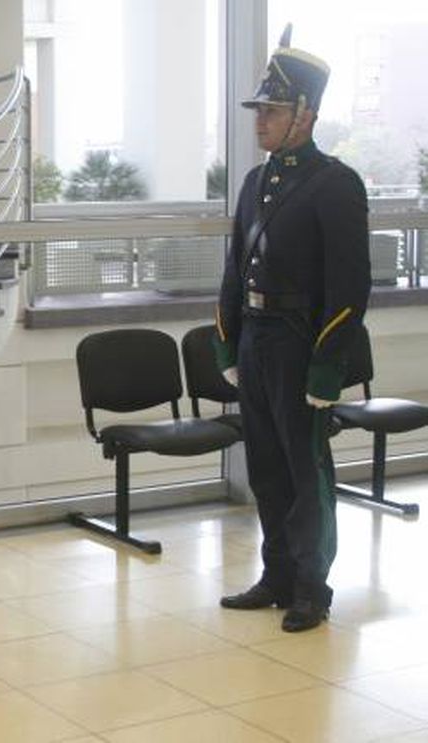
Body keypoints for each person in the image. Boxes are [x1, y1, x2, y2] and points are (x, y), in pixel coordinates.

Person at [214, 24, 371, 633]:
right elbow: (233, 268)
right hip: (256, 340)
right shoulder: (256, 183)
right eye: (259, 111)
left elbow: (349, 288)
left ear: (305, 115)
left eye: (272, 111)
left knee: (308, 470)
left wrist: (327, 365)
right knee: (267, 466)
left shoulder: (336, 184)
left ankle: (312, 586)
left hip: (301, 343)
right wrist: (228, 341)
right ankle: (276, 573)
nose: (261, 122)